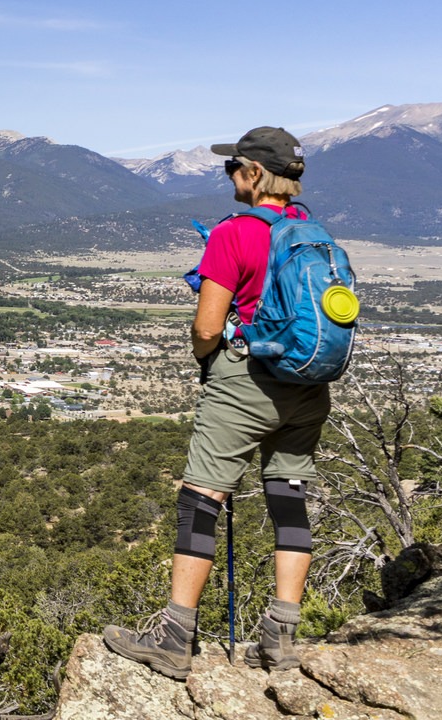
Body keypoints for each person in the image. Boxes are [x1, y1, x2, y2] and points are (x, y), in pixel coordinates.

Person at [103, 126, 329, 679]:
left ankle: (175, 637)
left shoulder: (234, 234)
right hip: (307, 387)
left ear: (253, 174)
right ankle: (282, 637)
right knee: (289, 500)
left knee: (200, 501)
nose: (227, 174)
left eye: (233, 166)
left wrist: (210, 353)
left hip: (247, 383)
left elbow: (207, 327)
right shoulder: (313, 233)